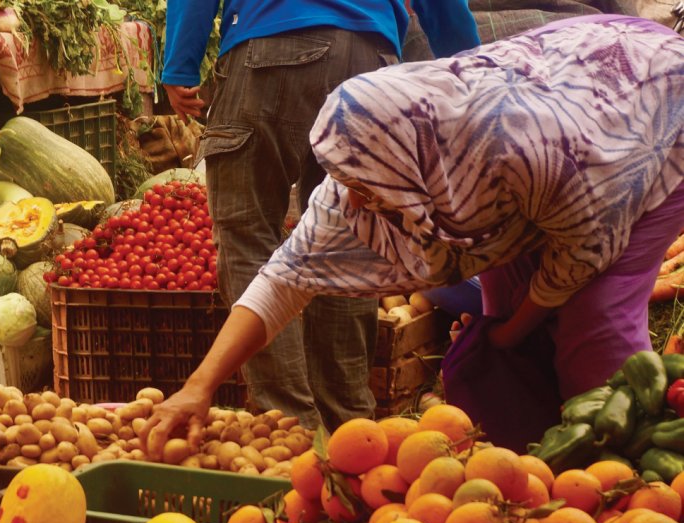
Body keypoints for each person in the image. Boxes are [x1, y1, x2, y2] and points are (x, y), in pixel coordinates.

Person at [141, 14, 684, 454]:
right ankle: (531, 461)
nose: (352, 198)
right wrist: (200, 387)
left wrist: (511, 334)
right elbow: (282, 281)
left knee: (594, 323)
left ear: (412, 163)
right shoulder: (366, 167)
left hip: (650, 112)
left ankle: (625, 480)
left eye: (366, 184)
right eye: (347, 179)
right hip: (547, 131)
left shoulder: (529, 155)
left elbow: (580, 252)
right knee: (503, 311)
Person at [161, 1, 481, 431]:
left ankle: (290, 429)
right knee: (354, 237)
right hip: (371, 61)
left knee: (249, 234)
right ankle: (349, 426)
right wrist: (469, 69)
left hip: (268, 48)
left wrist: (181, 61)